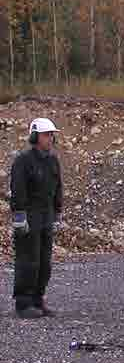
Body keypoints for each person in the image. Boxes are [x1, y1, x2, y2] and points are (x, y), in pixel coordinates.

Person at [10, 117, 63, 319]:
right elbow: (18, 189)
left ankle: (38, 299)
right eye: (46, 134)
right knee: (28, 260)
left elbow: (58, 187)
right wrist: (19, 215)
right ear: (34, 136)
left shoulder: (52, 160)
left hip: (46, 215)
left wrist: (57, 211)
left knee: (44, 261)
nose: (50, 138)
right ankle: (24, 303)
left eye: (52, 135)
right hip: (29, 215)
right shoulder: (23, 160)